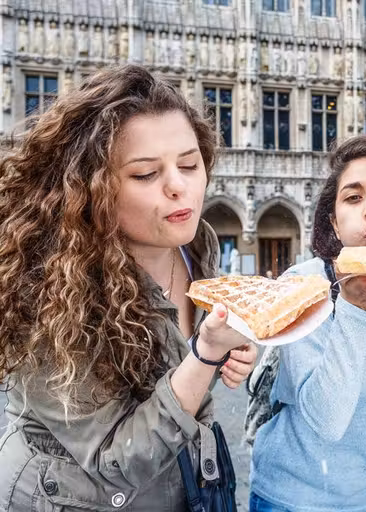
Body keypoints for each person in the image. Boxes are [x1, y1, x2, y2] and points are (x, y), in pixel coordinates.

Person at [0, 65, 257, 511]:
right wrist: (206, 356)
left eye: (190, 164)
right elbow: (115, 462)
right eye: (145, 175)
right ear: (91, 189)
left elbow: (175, 367)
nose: (181, 188)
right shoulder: (48, 290)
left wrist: (228, 350)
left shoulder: (197, 246)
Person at [248, 135, 366, 512]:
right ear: (334, 223)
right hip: (293, 500)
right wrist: (353, 305)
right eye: (353, 198)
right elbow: (327, 421)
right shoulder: (304, 287)